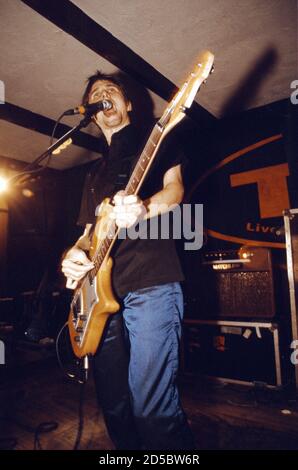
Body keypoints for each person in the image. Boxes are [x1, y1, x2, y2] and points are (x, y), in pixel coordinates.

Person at [61, 71, 195, 450]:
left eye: (111, 91)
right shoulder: (93, 172)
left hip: (151, 283)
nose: (103, 97)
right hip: (101, 300)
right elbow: (87, 234)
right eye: (96, 95)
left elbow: (175, 190)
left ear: (128, 104)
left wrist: (144, 208)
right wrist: (72, 254)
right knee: (115, 407)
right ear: (91, 112)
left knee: (153, 408)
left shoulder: (157, 140)